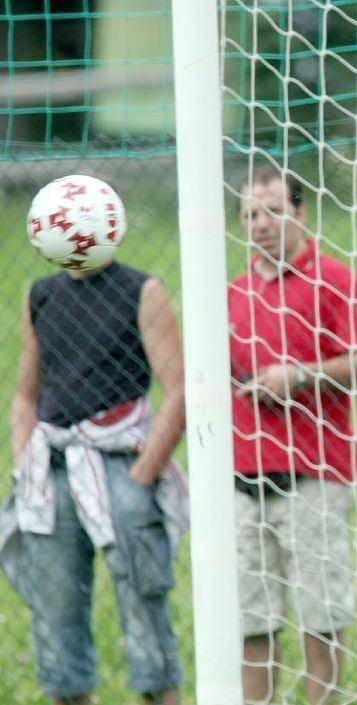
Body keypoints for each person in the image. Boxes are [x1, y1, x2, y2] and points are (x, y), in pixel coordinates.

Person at [0, 178, 187, 705]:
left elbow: (176, 389)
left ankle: (160, 692)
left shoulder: (142, 291)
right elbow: (24, 394)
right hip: (53, 468)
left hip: (120, 465)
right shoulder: (41, 295)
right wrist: (25, 460)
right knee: (54, 608)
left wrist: (145, 471)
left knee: (143, 599)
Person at [230, 168, 357, 704]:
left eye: (272, 210)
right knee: (252, 621)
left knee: (320, 616)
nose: (261, 224)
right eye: (250, 213)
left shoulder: (336, 280)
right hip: (242, 477)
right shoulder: (232, 294)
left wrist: (295, 375)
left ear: (300, 212)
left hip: (313, 473)